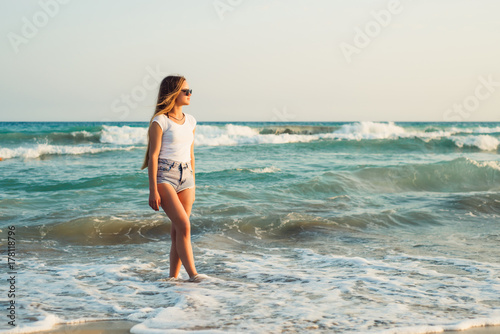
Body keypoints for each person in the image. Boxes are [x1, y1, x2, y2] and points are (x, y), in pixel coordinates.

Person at [141, 75, 208, 283]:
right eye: (185, 91)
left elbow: (191, 153)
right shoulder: (160, 121)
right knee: (185, 226)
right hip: (165, 177)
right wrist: (153, 190)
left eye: (190, 91)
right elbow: (153, 156)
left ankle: (173, 278)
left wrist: (194, 183)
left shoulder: (191, 121)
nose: (189, 94)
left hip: (187, 176)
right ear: (173, 93)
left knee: (177, 231)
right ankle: (194, 276)